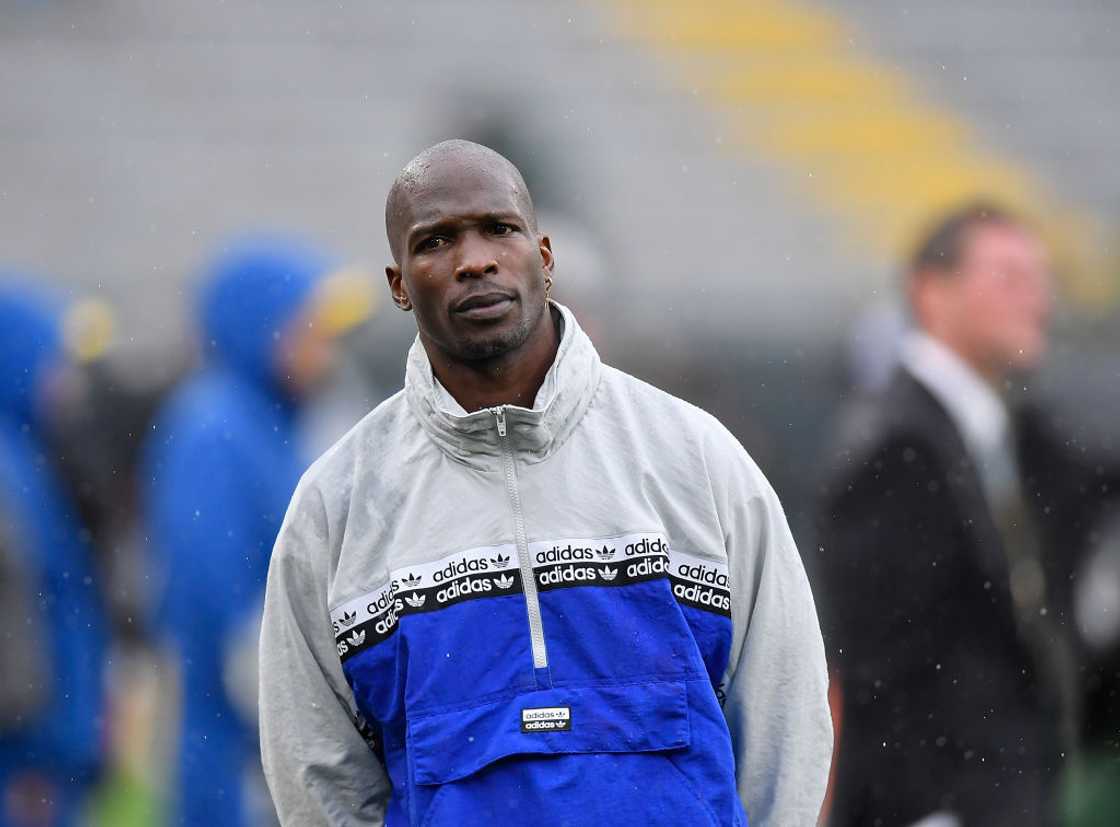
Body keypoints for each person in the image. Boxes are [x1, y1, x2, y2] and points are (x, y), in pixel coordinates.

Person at [258, 140, 833, 827]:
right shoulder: (337, 506)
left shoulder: (693, 459)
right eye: (436, 240)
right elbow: (315, 776)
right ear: (399, 285)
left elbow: (785, 717)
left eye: (498, 228)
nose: (474, 259)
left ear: (545, 256)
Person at [817, 202, 1094, 827]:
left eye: (1041, 280)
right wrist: (932, 807)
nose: (1038, 300)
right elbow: (884, 662)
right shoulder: (896, 449)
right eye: (1010, 278)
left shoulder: (1015, 434)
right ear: (931, 292)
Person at [142, 236, 361, 827]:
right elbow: (212, 593)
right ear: (259, 327)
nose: (325, 344)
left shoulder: (270, 421)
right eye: (308, 326)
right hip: (233, 736)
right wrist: (282, 705)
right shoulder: (214, 428)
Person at [0, 281, 109, 827]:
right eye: (51, 361)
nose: (64, 381)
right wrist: (36, 751)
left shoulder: (28, 457)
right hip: (28, 759)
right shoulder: (10, 470)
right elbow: (23, 614)